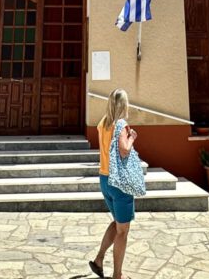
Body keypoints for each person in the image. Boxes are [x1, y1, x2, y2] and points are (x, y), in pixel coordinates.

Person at [90, 88, 137, 279]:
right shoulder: (121, 125)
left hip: (104, 178)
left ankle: (99, 260)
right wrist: (132, 137)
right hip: (119, 182)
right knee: (123, 231)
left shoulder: (103, 123)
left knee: (117, 223)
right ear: (123, 105)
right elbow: (124, 150)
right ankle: (118, 275)